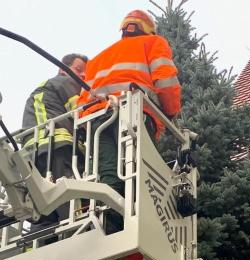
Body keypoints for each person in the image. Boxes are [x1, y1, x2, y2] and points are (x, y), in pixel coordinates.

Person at [77, 9, 181, 198]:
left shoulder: (97, 59)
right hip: (133, 114)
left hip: (95, 121)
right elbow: (166, 82)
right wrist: (171, 112)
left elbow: (82, 101)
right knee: (140, 175)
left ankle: (109, 219)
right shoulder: (153, 43)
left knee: (107, 174)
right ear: (149, 29)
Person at [22, 53, 88, 181]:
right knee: (68, 195)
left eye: (86, 73)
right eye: (78, 69)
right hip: (56, 145)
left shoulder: (46, 87)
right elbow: (81, 113)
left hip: (35, 152)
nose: (83, 75)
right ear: (63, 69)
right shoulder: (65, 81)